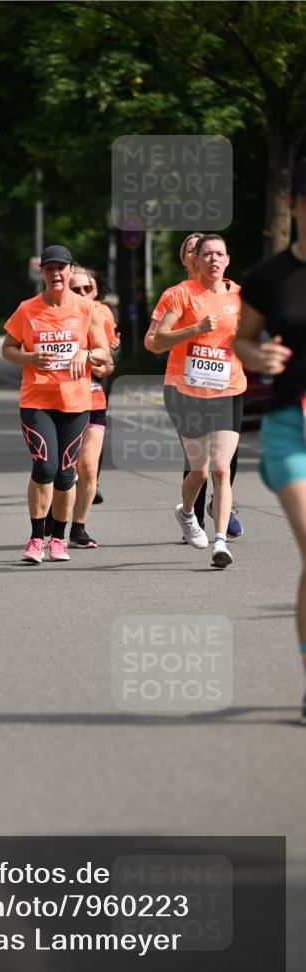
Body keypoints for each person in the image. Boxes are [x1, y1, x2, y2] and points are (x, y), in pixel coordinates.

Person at [233, 156, 306, 720]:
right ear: (294, 205)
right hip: (290, 428)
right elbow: (243, 343)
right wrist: (261, 355)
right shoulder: (268, 276)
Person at [1, 244, 111, 563]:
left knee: (66, 474)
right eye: (49, 268)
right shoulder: (27, 309)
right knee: (44, 467)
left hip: (76, 402)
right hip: (36, 399)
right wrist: (29, 356)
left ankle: (59, 540)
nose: (55, 273)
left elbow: (104, 352)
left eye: (61, 268)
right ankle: (37, 539)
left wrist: (85, 353)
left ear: (70, 271)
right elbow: (7, 348)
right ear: (43, 274)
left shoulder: (85, 308)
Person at [154, 234, 245, 568]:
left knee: (222, 470)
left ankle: (220, 543)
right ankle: (187, 511)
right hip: (185, 392)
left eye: (219, 253)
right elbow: (155, 342)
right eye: (206, 254)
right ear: (195, 260)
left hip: (228, 389)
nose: (213, 259)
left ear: (227, 259)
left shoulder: (241, 296)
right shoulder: (178, 295)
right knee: (200, 471)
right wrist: (194, 329)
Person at [67, 267, 115, 547]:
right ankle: (52, 515)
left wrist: (98, 361)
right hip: (59, 401)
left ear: (95, 291)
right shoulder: (55, 316)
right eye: (77, 289)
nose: (84, 294)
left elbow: (108, 362)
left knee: (88, 466)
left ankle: (79, 528)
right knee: (62, 470)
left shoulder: (100, 316)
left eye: (88, 289)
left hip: (94, 398)